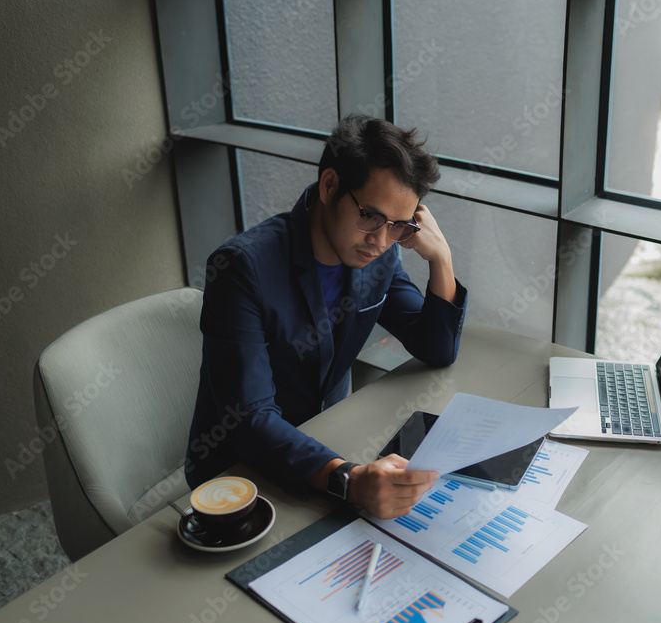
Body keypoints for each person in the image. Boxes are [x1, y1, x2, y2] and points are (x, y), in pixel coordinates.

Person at [185, 115, 467, 519]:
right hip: (240, 480)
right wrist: (349, 481)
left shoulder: (380, 257)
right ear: (329, 185)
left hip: (331, 445)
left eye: (399, 226)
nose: (381, 241)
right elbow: (249, 421)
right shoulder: (241, 269)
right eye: (370, 215)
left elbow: (436, 348)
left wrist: (441, 259)